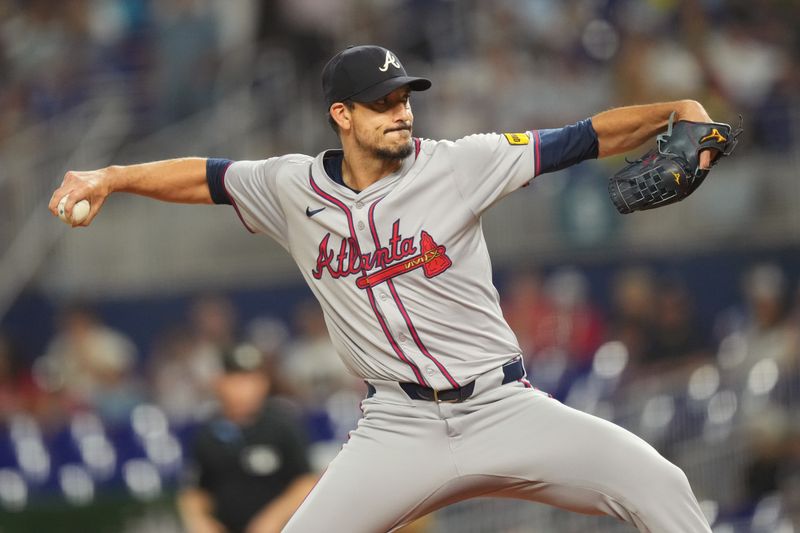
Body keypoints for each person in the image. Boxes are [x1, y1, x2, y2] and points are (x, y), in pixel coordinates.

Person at [51, 44, 718, 532]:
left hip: (502, 405)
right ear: (341, 114)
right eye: (382, 103)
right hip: (399, 427)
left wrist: (678, 111)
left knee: (660, 483)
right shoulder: (290, 187)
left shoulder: (460, 163)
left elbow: (584, 137)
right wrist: (112, 176)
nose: (401, 112)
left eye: (403, 97)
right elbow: (209, 176)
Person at [178, 343, 316, 533]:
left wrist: (273, 518)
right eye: (236, 379)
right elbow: (196, 490)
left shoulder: (282, 426)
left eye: (251, 379)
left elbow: (306, 481)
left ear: (264, 383)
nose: (244, 388)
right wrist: (201, 521)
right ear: (220, 382)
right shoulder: (208, 432)